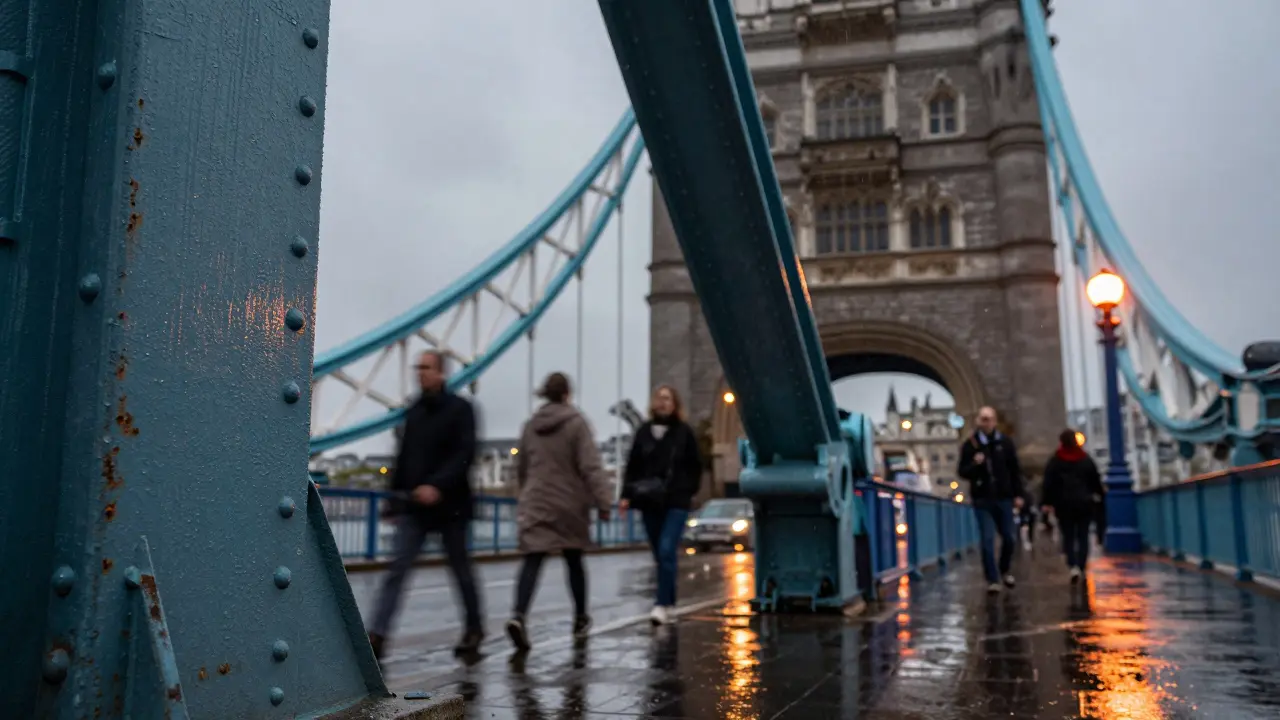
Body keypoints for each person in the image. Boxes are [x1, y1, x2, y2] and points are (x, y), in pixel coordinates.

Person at [367, 350, 484, 660]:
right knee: (397, 570)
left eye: (426, 368)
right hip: (415, 507)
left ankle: (474, 628)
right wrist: (393, 500)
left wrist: (437, 486)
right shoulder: (414, 412)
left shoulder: (462, 410)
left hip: (451, 507)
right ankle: (378, 635)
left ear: (442, 373)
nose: (420, 373)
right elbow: (402, 458)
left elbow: (465, 455)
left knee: (460, 571)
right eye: (418, 368)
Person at [505, 372, 615, 651]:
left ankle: (518, 615)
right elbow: (591, 466)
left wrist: (526, 495)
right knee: (574, 559)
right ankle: (580, 617)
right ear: (567, 394)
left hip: (537, 500)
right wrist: (604, 502)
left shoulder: (530, 426)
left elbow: (522, 470)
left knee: (532, 559)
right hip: (569, 503)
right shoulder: (577, 424)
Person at [618, 385, 703, 625]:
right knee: (660, 555)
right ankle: (671, 603)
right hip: (649, 502)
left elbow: (696, 465)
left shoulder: (684, 432)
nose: (663, 402)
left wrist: (687, 491)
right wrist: (626, 495)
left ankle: (661, 604)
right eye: (659, 398)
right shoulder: (643, 432)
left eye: (667, 398)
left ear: (675, 404)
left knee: (667, 549)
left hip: (676, 502)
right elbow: (632, 466)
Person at [957, 406, 1026, 593]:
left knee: (1010, 538)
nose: (986, 423)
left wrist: (1019, 495)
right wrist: (974, 464)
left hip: (1004, 498)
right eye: (983, 419)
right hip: (982, 499)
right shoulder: (970, 446)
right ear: (978, 421)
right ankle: (993, 580)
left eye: (989, 419)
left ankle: (1004, 570)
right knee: (987, 540)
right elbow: (962, 471)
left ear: (995, 421)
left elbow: (1015, 471)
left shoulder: (1005, 443)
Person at [1042, 429, 1105, 583]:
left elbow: (1048, 483)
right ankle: (1082, 566)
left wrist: (1047, 502)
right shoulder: (1085, 459)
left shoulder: (1055, 460)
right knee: (1083, 536)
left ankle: (1073, 566)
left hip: (1063, 504)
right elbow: (1095, 481)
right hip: (1084, 503)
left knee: (1068, 536)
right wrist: (1099, 495)